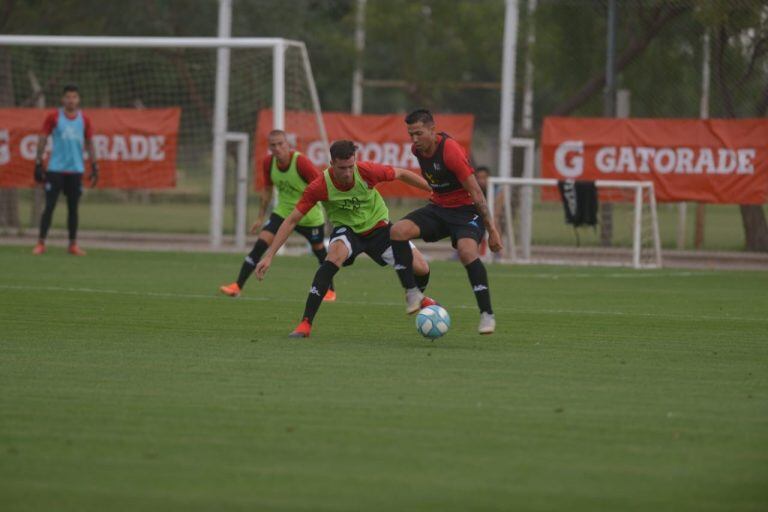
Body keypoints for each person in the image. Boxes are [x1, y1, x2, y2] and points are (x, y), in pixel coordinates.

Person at [254, 140, 434, 338]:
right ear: (332, 164)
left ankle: (417, 295)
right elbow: (291, 221)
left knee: (422, 267)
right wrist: (269, 255)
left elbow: (400, 173)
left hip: (379, 228)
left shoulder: (367, 171)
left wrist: (432, 191)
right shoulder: (320, 186)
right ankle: (305, 323)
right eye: (342, 168)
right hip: (347, 230)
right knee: (334, 255)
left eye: (351, 167)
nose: (348, 173)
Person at [389, 109, 502, 335]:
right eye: (411, 134)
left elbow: (477, 193)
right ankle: (412, 291)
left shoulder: (451, 152)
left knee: (467, 252)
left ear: (432, 129)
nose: (414, 139)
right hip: (439, 208)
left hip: (466, 211)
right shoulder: (417, 150)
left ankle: (486, 314)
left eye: (419, 133)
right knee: (398, 231)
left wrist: (492, 230)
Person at [219, 130, 335, 300]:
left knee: (319, 252)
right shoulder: (268, 163)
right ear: (269, 147)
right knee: (260, 245)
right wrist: (260, 217)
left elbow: (321, 185)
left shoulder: (301, 162)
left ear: (288, 145)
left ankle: (330, 291)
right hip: (283, 213)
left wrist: (333, 212)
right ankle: (237, 286)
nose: (277, 148)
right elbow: (266, 190)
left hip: (309, 216)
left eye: (281, 143)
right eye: (273, 145)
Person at [32, 84, 98, 256]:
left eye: (74, 97)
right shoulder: (54, 117)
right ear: (63, 99)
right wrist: (38, 162)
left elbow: (90, 142)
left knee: (73, 209)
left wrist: (94, 165)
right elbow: (43, 137)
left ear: (78, 99)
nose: (71, 100)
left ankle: (73, 244)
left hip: (76, 170)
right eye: (68, 97)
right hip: (56, 169)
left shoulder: (84, 119)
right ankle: (41, 243)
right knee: (50, 206)